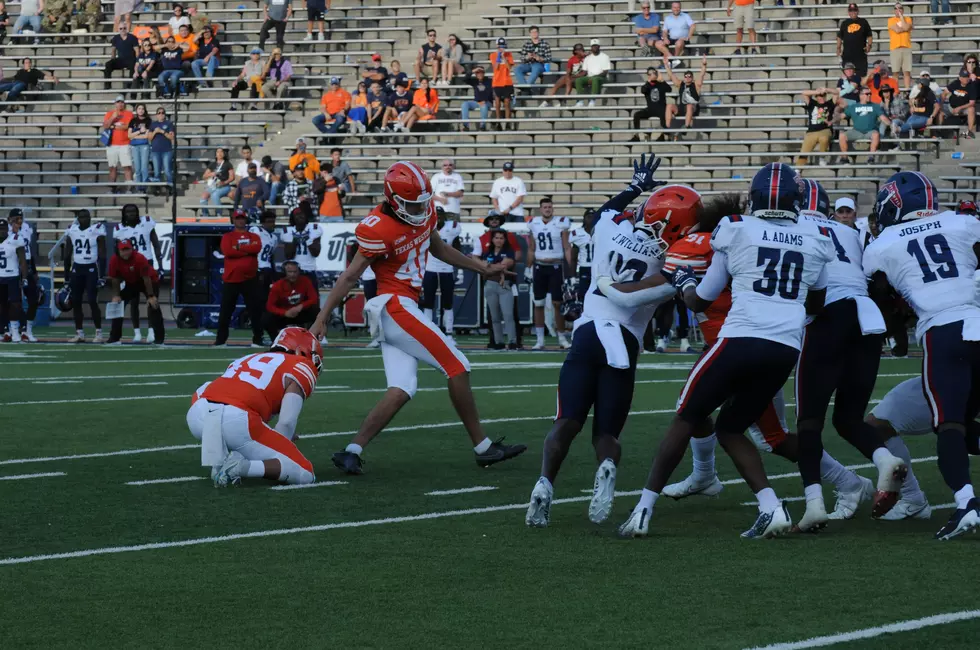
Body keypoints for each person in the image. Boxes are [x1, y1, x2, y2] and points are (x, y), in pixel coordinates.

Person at [614, 163, 837, 539]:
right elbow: (816, 305)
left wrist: (685, 281)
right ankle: (771, 507)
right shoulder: (816, 236)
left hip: (740, 339)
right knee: (732, 428)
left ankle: (642, 509)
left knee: (687, 415)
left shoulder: (736, 227)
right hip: (785, 347)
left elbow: (700, 302)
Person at [659, 185, 874, 521]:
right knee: (697, 411)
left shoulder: (702, 244)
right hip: (747, 342)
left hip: (743, 344)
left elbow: (662, 291)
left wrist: (610, 283)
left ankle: (848, 482)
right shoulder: (742, 233)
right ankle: (704, 475)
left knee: (767, 436)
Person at [309, 161, 527, 474]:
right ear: (393, 199)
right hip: (394, 304)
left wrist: (482, 268)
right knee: (457, 366)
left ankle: (351, 451)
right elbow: (349, 276)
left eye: (423, 202)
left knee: (402, 387)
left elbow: (437, 247)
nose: (420, 208)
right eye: (412, 203)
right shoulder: (377, 226)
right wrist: (322, 317)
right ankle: (484, 447)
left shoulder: (424, 212)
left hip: (401, 307)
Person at [525, 155, 674, 527]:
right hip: (624, 341)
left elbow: (605, 211)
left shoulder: (609, 228)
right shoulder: (668, 258)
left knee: (567, 421)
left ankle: (545, 482)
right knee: (606, 432)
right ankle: (607, 465)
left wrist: (636, 186)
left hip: (589, 331)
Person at [863, 171, 980, 539]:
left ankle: (966, 504)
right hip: (976, 318)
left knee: (950, 424)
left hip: (943, 330)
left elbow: (881, 299)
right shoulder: (963, 222)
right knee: (963, 421)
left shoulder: (882, 244)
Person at [187, 327, 320, 487]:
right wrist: (280, 444)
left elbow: (203, 390)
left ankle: (219, 462)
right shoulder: (301, 364)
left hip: (198, 413)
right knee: (305, 472)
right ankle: (240, 467)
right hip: (236, 419)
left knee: (238, 426)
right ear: (301, 351)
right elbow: (286, 423)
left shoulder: (249, 357)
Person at [527, 196, 571, 350]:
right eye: (545, 207)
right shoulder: (533, 223)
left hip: (556, 267)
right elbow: (531, 248)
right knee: (538, 303)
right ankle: (540, 340)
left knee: (557, 304)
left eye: (549, 207)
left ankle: (561, 338)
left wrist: (570, 269)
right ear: (541, 209)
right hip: (539, 266)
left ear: (553, 208)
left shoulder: (561, 223)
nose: (547, 209)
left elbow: (567, 247)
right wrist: (528, 267)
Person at [214, 210, 263, 347]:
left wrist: (238, 248)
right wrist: (247, 249)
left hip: (250, 278)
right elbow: (228, 251)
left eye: (242, 218)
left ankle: (258, 339)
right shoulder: (227, 236)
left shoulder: (254, 236)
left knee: (255, 310)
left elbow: (257, 248)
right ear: (233, 220)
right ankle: (221, 340)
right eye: (238, 218)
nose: (240, 221)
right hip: (231, 279)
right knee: (226, 311)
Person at [113, 203, 161, 341]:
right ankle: (137, 332)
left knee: (151, 299)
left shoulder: (146, 223)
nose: (131, 214)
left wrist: (160, 264)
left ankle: (151, 331)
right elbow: (117, 253)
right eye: (128, 212)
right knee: (134, 301)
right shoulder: (119, 229)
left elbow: (156, 244)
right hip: (130, 267)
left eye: (133, 211)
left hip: (147, 264)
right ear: (124, 214)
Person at [106, 240, 164, 345]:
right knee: (118, 304)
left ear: (132, 249)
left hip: (149, 281)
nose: (125, 252)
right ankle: (114, 338)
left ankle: (159, 339)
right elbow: (114, 279)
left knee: (153, 306)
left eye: (127, 249)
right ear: (118, 251)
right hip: (131, 282)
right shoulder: (114, 259)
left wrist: (150, 296)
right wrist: (116, 295)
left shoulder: (139, 258)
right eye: (123, 250)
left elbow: (146, 278)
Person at [64, 209, 105, 344]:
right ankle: (79, 333)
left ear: (90, 218)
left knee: (92, 300)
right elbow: (67, 253)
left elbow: (102, 253)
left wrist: (102, 275)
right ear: (77, 218)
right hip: (77, 268)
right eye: (81, 217)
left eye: (86, 217)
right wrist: (66, 276)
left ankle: (99, 332)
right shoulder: (72, 230)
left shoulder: (96, 229)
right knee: (76, 301)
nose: (84, 219)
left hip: (91, 268)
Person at [421, 208, 461, 336]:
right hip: (430, 268)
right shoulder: (425, 228)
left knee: (447, 302)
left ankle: (448, 332)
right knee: (428, 302)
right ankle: (428, 333)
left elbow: (458, 251)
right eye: (436, 215)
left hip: (447, 268)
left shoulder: (453, 229)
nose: (438, 218)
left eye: (441, 215)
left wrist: (459, 271)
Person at [262, 260, 317, 338]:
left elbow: (314, 298)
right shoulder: (277, 285)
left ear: (299, 272)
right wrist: (284, 312)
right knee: (266, 318)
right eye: (290, 272)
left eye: (295, 272)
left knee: (317, 312)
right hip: (284, 315)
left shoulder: (305, 281)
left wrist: (300, 306)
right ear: (285, 273)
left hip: (300, 313)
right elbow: (270, 306)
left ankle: (313, 337)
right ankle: (276, 339)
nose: (292, 274)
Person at [482, 229, 517, 349]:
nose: (499, 240)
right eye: (496, 238)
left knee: (508, 314)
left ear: (505, 240)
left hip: (504, 284)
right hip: (490, 284)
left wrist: (491, 266)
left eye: (501, 238)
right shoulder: (488, 251)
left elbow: (506, 263)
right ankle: (499, 342)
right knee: (495, 316)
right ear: (492, 239)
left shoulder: (509, 251)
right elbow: (483, 267)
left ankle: (512, 341)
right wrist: (496, 267)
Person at [7, 210, 38, 341]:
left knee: (34, 299)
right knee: (15, 302)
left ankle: (27, 330)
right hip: (13, 267)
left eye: (21, 218)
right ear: (9, 220)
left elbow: (29, 249)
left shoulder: (26, 228)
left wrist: (35, 270)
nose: (19, 221)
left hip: (27, 266)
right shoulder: (5, 230)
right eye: (16, 219)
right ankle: (12, 329)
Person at [837, 87, 889, 164]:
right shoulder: (854, 106)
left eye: (870, 94)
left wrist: (892, 124)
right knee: (842, 135)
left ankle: (871, 158)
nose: (869, 96)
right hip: (857, 131)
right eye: (867, 94)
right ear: (861, 95)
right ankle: (845, 158)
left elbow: (883, 118)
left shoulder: (875, 106)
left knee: (876, 134)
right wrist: (831, 119)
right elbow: (841, 116)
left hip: (870, 131)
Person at [663, 54, 707, 137]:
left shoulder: (696, 85)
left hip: (693, 109)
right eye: (686, 76)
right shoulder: (681, 84)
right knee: (669, 105)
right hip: (682, 108)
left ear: (692, 78)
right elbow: (671, 76)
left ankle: (687, 127)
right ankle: (667, 127)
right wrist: (666, 65)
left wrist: (704, 65)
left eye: (689, 76)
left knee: (689, 106)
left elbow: (701, 75)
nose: (687, 78)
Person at [282, 202, 322, 287]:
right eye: (297, 215)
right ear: (293, 218)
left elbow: (315, 253)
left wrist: (306, 238)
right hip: (294, 273)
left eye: (302, 214)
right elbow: (289, 255)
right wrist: (295, 238)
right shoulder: (288, 231)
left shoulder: (314, 228)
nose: (300, 216)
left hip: (309, 270)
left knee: (313, 299)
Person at [0, 217, 27, 344]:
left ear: (7, 229)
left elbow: (22, 260)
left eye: (3, 228)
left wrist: (25, 277)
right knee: (2, 305)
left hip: (12, 276)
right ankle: (5, 330)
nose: (1, 231)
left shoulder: (15, 239)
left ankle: (15, 330)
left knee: (15, 304)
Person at [797, 86, 839, 167]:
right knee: (804, 151)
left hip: (825, 129)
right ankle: (798, 169)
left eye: (823, 95)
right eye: (819, 96)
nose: (821, 97)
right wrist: (817, 92)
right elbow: (804, 93)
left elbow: (836, 93)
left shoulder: (829, 104)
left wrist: (826, 89)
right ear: (816, 97)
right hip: (811, 131)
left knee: (824, 138)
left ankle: (822, 158)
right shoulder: (812, 103)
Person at [630, 67, 675, 142]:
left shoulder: (660, 84)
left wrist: (662, 80)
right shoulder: (647, 85)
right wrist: (648, 81)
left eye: (654, 73)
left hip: (661, 108)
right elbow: (643, 90)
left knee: (664, 115)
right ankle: (636, 136)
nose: (653, 75)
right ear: (648, 75)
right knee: (636, 115)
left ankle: (663, 135)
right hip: (650, 109)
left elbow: (669, 89)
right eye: (650, 74)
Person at [102, 95, 134, 193]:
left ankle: (129, 188)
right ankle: (112, 188)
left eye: (122, 102)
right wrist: (112, 118)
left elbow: (127, 126)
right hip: (112, 144)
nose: (120, 104)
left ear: (124, 103)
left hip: (125, 143)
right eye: (118, 102)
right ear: (115, 103)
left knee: (127, 166)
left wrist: (114, 126)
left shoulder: (129, 114)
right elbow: (106, 126)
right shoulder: (110, 114)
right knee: (112, 167)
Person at [250, 209, 280, 307]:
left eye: (273, 222)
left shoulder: (274, 238)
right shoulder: (256, 230)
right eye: (269, 222)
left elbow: (271, 257)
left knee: (266, 297)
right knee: (258, 297)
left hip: (267, 270)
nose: (272, 224)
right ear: (262, 223)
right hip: (258, 269)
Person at [655, 2, 695, 67]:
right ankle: (673, 59)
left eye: (678, 7)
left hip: (682, 39)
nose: (676, 9)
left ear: (680, 8)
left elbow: (693, 26)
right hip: (672, 38)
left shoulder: (685, 16)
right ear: (671, 8)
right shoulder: (668, 18)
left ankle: (673, 59)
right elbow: (664, 31)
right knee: (657, 43)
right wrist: (665, 38)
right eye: (674, 7)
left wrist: (688, 36)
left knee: (679, 43)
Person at [837, 3, 872, 77]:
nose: (853, 12)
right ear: (848, 12)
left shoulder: (863, 22)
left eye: (855, 10)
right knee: (848, 77)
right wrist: (838, 47)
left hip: (860, 55)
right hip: (847, 55)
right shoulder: (844, 23)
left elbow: (869, 35)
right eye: (851, 11)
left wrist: (869, 45)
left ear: (858, 11)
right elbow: (839, 36)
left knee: (861, 76)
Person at [567, 208, 594, 301]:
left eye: (593, 216)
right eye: (588, 217)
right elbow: (573, 258)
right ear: (584, 219)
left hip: (599, 268)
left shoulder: (602, 232)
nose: (591, 219)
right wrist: (573, 276)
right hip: (585, 268)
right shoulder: (577, 233)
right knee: (584, 298)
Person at [199, 146, 235, 217]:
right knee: (203, 197)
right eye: (218, 152)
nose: (220, 153)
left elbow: (232, 177)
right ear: (215, 154)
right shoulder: (212, 164)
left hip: (224, 186)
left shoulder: (228, 164)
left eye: (221, 152)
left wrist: (224, 183)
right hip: (213, 186)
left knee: (215, 195)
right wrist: (211, 174)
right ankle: (205, 215)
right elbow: (204, 176)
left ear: (224, 154)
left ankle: (219, 215)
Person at [575, 39, 611, 106]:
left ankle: (592, 100)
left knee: (595, 79)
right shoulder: (587, 58)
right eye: (593, 46)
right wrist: (574, 76)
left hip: (602, 77)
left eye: (596, 46)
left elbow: (605, 72)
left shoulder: (605, 57)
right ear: (591, 47)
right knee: (578, 80)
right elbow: (584, 72)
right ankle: (580, 101)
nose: (594, 47)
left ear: (599, 46)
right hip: (590, 77)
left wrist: (594, 76)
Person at [943, 68, 977, 137]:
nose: (966, 78)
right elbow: (944, 93)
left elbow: (972, 103)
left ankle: (969, 132)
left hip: (963, 108)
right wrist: (941, 103)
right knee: (938, 109)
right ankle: (939, 133)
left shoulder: (971, 86)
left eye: (967, 76)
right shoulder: (956, 83)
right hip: (951, 107)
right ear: (960, 78)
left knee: (971, 109)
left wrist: (960, 108)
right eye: (964, 77)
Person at [104, 23, 139, 89]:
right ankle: (107, 85)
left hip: (131, 59)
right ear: (118, 29)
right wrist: (113, 60)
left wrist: (137, 61)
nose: (122, 30)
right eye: (121, 28)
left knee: (133, 65)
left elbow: (137, 51)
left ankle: (130, 85)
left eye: (124, 28)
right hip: (121, 60)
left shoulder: (133, 37)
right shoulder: (115, 38)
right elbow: (113, 50)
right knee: (108, 64)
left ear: (127, 29)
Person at [490, 37, 515, 130]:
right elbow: (495, 67)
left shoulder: (509, 55)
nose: (501, 48)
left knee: (507, 102)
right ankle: (498, 122)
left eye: (502, 46)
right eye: (499, 46)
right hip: (497, 82)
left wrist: (504, 57)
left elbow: (509, 67)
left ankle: (508, 122)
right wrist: (498, 56)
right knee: (497, 103)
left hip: (507, 81)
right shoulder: (493, 55)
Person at [888, 3, 913, 91]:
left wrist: (902, 18)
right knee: (895, 72)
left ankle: (907, 91)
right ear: (894, 10)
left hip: (906, 47)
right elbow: (898, 30)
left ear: (903, 9)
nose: (898, 10)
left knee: (907, 72)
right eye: (896, 8)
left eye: (900, 8)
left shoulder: (908, 19)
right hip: (895, 48)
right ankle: (895, 91)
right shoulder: (891, 20)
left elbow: (906, 28)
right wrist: (904, 28)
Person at [149, 106, 175, 194]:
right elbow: (149, 138)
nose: (161, 114)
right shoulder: (153, 124)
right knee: (157, 171)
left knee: (167, 170)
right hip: (155, 151)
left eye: (162, 113)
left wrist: (162, 131)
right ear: (156, 115)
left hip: (166, 150)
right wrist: (155, 132)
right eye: (159, 113)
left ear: (165, 114)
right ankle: (157, 188)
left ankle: (170, 188)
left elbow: (171, 137)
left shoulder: (169, 124)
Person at [127, 103, 152, 192]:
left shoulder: (148, 120)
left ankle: (144, 186)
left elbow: (146, 136)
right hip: (134, 146)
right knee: (137, 168)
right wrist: (138, 132)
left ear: (144, 110)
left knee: (144, 167)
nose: (140, 110)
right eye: (139, 108)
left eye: (142, 109)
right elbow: (129, 135)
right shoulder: (133, 121)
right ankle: (138, 187)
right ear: (136, 110)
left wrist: (135, 136)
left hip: (144, 145)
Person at [461, 66, 492, 131]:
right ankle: (466, 125)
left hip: (487, 102)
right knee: (464, 104)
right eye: (477, 72)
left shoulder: (489, 81)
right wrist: (472, 71)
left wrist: (484, 101)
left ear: (484, 73)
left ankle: (482, 126)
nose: (480, 74)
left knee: (483, 106)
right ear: (475, 74)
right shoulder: (475, 81)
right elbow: (464, 79)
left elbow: (491, 93)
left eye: (481, 72)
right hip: (476, 102)